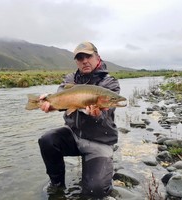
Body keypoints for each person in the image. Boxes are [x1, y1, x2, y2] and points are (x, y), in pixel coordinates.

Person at [38, 41, 121, 198]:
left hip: (100, 140)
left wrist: (97, 114)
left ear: (97, 57)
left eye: (88, 56)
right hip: (74, 135)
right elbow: (61, 101)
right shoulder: (70, 79)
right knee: (47, 140)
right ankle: (57, 186)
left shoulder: (109, 83)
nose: (84, 61)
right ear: (76, 61)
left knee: (94, 191)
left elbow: (107, 111)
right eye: (80, 58)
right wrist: (48, 103)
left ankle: (104, 180)